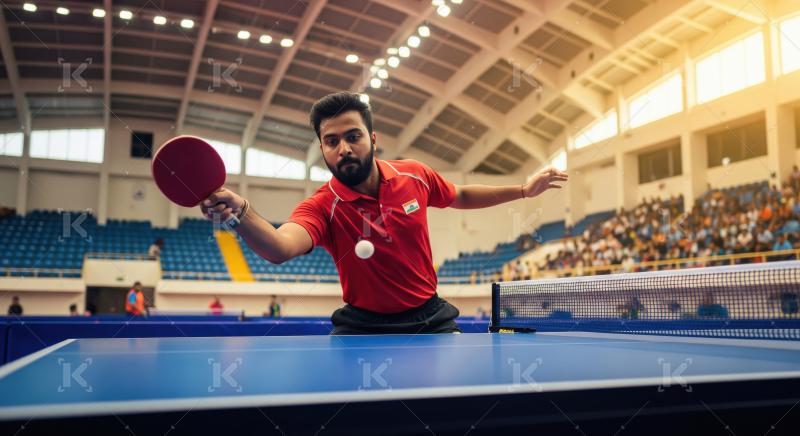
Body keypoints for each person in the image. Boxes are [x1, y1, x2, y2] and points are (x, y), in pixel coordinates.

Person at [200, 92, 568, 335]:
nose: (343, 148)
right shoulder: (322, 205)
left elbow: (461, 194)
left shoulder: (414, 175)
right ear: (323, 149)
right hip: (361, 325)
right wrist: (240, 212)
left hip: (430, 318)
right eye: (332, 141)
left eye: (353, 136)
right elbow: (280, 247)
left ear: (373, 139)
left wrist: (522, 190)